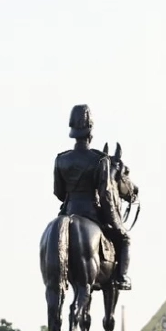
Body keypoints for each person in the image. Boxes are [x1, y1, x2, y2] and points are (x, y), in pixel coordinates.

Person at [54, 104, 131, 290]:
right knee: (124, 239)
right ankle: (121, 277)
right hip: (91, 213)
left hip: (67, 211)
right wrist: (116, 223)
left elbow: (59, 193)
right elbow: (105, 194)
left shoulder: (61, 159)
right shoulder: (99, 160)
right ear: (90, 134)